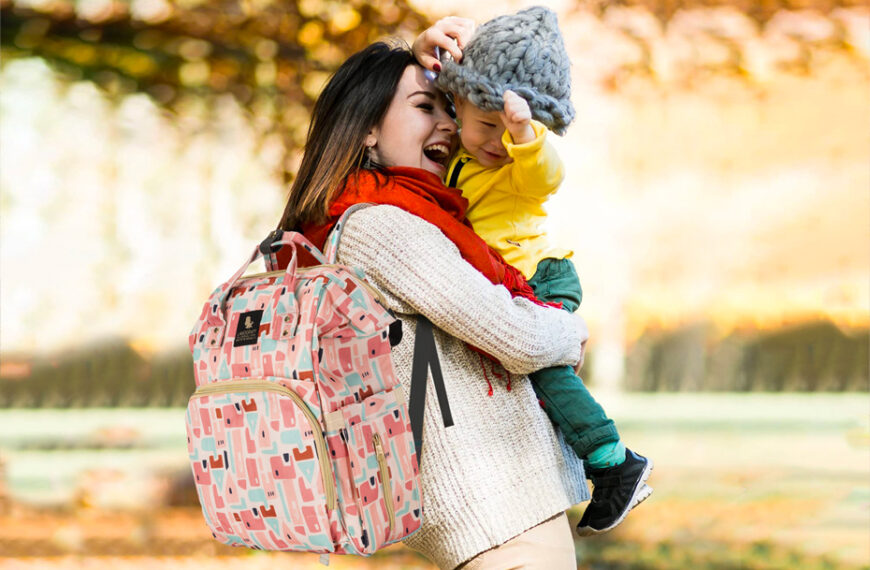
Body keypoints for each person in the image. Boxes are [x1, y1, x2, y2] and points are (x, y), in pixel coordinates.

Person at [278, 40, 589, 569]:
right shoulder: (381, 225)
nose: (448, 124)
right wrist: (570, 329)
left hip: (495, 509)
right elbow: (515, 336)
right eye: (426, 108)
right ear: (367, 129)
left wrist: (428, 48)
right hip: (496, 512)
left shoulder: (382, 211)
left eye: (450, 109)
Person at [413, 7, 652, 536]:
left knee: (542, 368)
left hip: (540, 274)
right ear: (461, 105)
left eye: (514, 130)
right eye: (487, 125)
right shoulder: (460, 150)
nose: (497, 141)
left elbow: (548, 175)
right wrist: (421, 50)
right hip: (508, 277)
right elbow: (419, 97)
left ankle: (613, 461)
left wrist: (526, 134)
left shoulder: (522, 165)